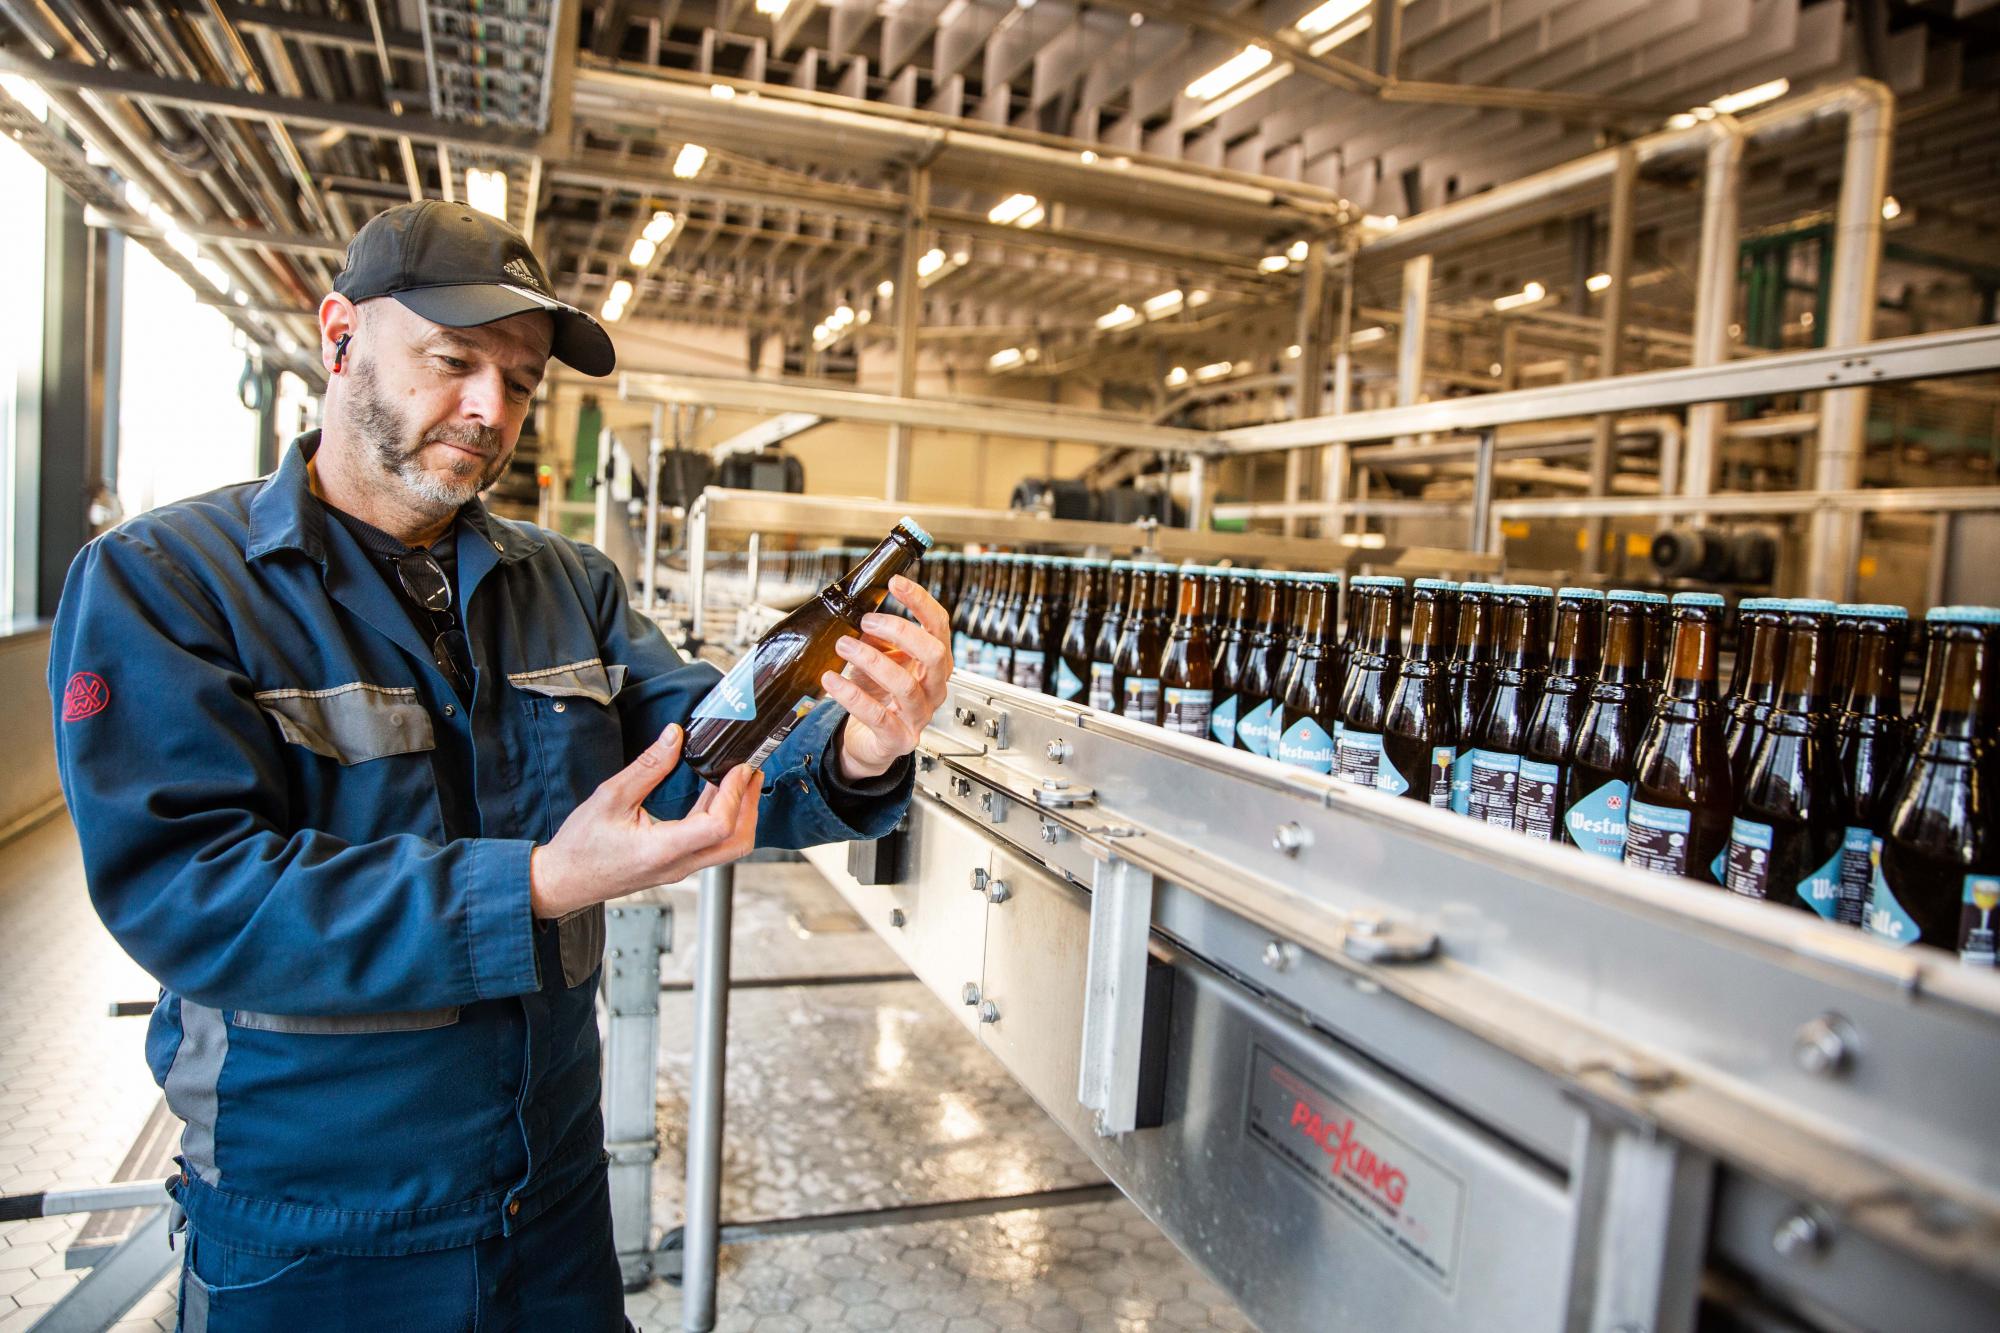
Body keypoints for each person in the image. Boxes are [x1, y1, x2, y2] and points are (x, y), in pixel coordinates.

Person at [46, 200, 951, 1330]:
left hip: (553, 1213)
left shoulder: (568, 585)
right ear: (338, 337)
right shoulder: (168, 582)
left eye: (519, 383)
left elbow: (697, 747)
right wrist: (534, 883)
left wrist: (858, 748)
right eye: (453, 360)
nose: (489, 411)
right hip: (322, 1233)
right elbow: (193, 893)